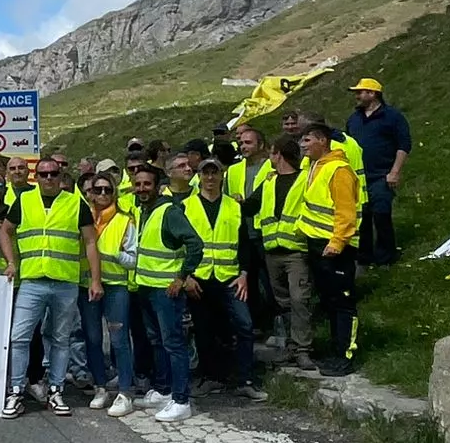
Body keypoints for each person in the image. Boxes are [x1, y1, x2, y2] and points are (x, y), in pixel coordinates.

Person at [3, 157, 103, 418]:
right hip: (32, 281)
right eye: (43, 174)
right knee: (19, 337)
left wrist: (95, 279)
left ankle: (56, 390)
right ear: (36, 176)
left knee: (61, 339)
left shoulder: (75, 203)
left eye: (53, 174)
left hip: (65, 282)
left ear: (61, 175)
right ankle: (16, 390)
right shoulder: (24, 200)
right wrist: (12, 262)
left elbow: (90, 242)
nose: (48, 178)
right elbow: (5, 230)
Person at [125, 164, 203, 421]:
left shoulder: (168, 212)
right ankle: (164, 389)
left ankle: (181, 400)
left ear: (158, 186)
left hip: (166, 291)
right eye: (137, 184)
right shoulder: (143, 211)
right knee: (157, 341)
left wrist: (181, 277)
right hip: (147, 287)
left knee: (173, 344)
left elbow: (195, 243)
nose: (141, 189)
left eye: (146, 184)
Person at [182, 158, 265, 400]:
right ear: (199, 176)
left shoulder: (234, 206)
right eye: (205, 173)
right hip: (199, 278)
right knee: (204, 330)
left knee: (244, 326)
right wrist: (185, 276)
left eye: (214, 173)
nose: (210, 178)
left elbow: (244, 244)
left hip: (230, 278)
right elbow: (179, 246)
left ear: (221, 175)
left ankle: (245, 380)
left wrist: (244, 274)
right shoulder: (186, 207)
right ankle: (211, 378)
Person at [297, 121, 362, 376]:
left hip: (336, 248)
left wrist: (337, 243)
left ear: (322, 141)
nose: (303, 145)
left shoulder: (339, 170)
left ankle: (346, 355)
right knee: (329, 302)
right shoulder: (316, 166)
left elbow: (346, 212)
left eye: (307, 140)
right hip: (318, 245)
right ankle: (335, 351)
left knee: (343, 303)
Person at [256, 135, 316, 368]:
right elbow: (253, 205)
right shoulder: (269, 182)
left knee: (300, 298)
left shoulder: (305, 179)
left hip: (296, 250)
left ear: (278, 154)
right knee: (283, 302)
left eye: (272, 153)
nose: (270, 158)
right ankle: (292, 346)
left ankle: (303, 349)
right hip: (272, 251)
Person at [81, 172, 137, 413]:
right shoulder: (82, 218)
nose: (102, 194)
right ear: (90, 193)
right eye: (97, 190)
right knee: (92, 339)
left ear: (114, 193)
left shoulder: (125, 220)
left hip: (115, 287)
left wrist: (111, 255)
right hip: (86, 287)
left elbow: (133, 259)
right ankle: (100, 387)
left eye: (107, 190)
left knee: (119, 340)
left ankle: (125, 391)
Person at [345, 77, 412, 266]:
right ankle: (364, 257)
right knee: (362, 218)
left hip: (382, 175)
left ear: (373, 94)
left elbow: (404, 145)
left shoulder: (392, 117)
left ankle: (386, 257)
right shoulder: (354, 119)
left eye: (360, 92)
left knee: (381, 214)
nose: (357, 96)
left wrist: (395, 172)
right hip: (358, 177)